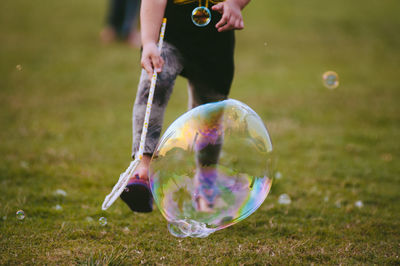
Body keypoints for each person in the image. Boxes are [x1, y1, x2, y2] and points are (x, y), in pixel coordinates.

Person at [120, 0, 251, 213]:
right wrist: (149, 41)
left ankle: (206, 182)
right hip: (169, 34)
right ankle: (143, 167)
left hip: (215, 44)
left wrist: (235, 3)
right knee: (154, 84)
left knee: (210, 115)